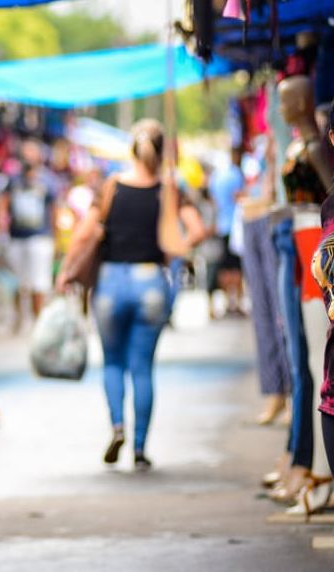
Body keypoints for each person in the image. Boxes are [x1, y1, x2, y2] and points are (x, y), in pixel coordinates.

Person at [58, 119, 205, 470]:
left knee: (112, 363)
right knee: (142, 369)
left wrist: (65, 271)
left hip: (109, 283)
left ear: (132, 149)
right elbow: (197, 229)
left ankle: (117, 427)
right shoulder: (169, 189)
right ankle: (139, 449)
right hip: (151, 282)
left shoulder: (111, 187)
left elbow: (83, 234)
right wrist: (176, 246)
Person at [0, 139, 57, 328]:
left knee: (39, 282)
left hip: (40, 237)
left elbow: (54, 210)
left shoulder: (48, 180)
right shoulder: (13, 179)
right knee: (18, 282)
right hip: (17, 237)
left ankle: (38, 319)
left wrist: (55, 238)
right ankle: (19, 316)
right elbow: (4, 203)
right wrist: (2, 231)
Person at [208, 149, 246, 316]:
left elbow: (214, 200)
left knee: (224, 267)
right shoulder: (236, 174)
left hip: (221, 225)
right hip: (235, 227)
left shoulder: (215, 177)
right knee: (236, 267)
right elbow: (239, 196)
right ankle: (235, 302)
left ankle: (226, 302)